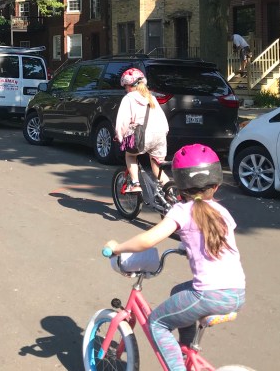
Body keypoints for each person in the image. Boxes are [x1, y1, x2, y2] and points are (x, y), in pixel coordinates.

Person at [104, 144, 246, 371]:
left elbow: (148, 240)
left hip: (207, 294)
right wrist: (187, 247)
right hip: (236, 293)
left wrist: (118, 248)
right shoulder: (222, 212)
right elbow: (214, 241)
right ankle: (184, 350)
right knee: (178, 292)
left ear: (178, 184)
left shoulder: (181, 210)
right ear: (217, 185)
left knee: (157, 323)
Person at [115, 67, 170, 192]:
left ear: (129, 85)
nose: (125, 89)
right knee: (158, 169)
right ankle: (171, 193)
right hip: (160, 135)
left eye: (125, 86)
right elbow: (163, 120)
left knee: (130, 156)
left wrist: (119, 136)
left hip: (143, 136)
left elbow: (122, 122)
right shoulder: (151, 98)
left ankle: (135, 184)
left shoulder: (128, 98)